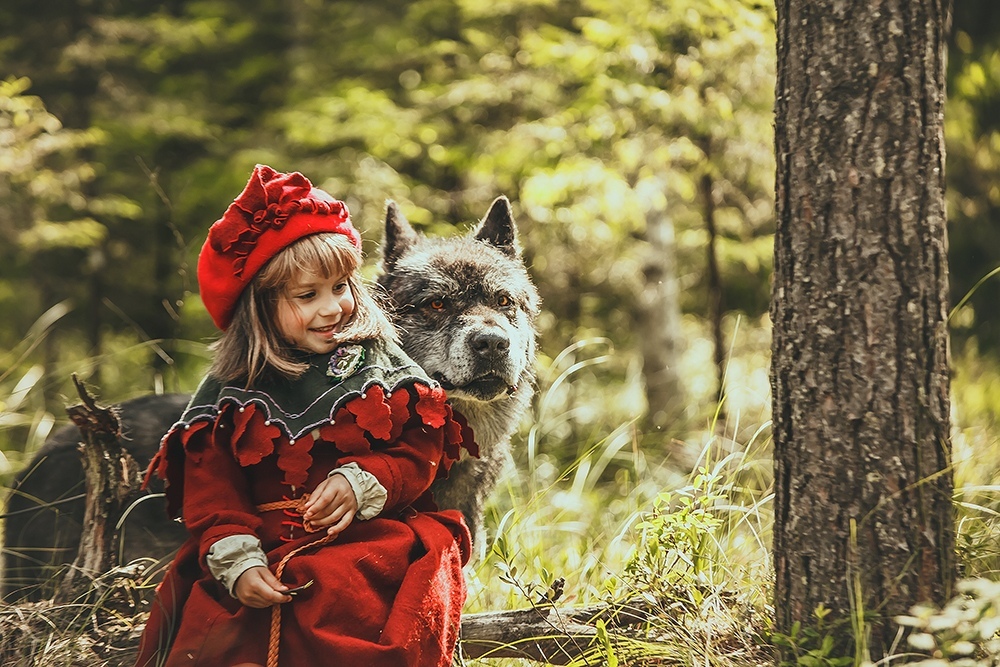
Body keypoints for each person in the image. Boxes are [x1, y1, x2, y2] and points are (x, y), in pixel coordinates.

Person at [134, 164, 475, 667]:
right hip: (259, 544)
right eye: (307, 295)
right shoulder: (236, 391)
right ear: (260, 307)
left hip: (363, 540)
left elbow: (418, 452)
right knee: (213, 631)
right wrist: (235, 553)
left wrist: (367, 480)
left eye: (341, 286)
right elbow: (212, 488)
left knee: (345, 595)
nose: (332, 308)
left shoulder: (378, 363)